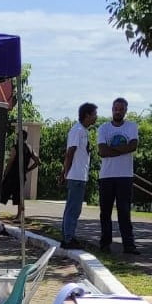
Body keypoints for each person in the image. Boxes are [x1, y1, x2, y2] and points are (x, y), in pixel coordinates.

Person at [97, 97, 140, 254]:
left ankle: (129, 245)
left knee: (124, 211)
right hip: (106, 176)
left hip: (125, 176)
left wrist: (111, 150)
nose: (118, 111)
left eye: (121, 109)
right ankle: (105, 243)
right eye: (116, 108)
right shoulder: (103, 128)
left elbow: (133, 146)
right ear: (112, 109)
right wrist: (123, 149)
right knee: (105, 212)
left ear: (125, 111)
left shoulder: (132, 127)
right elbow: (102, 151)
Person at [59, 102, 98, 249]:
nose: (96, 117)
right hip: (75, 176)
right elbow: (70, 152)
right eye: (94, 114)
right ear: (87, 115)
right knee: (73, 208)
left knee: (74, 208)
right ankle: (68, 238)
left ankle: (68, 236)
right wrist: (65, 172)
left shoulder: (83, 131)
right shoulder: (77, 130)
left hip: (79, 175)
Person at [0, 130, 40, 220]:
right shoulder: (29, 148)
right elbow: (38, 161)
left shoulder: (15, 147)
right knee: (19, 195)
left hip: (12, 174)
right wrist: (27, 170)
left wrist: (5, 173)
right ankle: (20, 215)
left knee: (3, 191)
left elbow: (10, 161)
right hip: (22, 175)